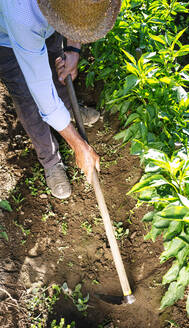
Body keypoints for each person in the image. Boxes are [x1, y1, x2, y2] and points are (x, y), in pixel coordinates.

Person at [0, 0, 121, 199]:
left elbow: (79, 13)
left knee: (58, 67)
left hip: (48, 24)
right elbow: (40, 88)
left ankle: (69, 111)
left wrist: (74, 49)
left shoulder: (65, 7)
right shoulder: (21, 14)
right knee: (28, 99)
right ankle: (50, 161)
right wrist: (78, 146)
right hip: (6, 40)